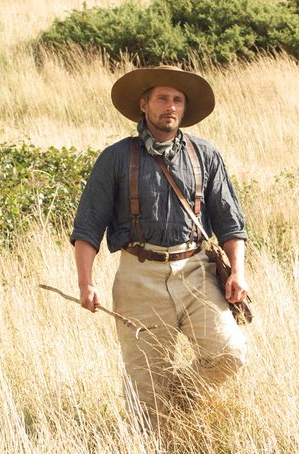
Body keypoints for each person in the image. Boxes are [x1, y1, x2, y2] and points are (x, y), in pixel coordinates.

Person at [70, 66, 248, 432]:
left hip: (196, 271)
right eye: (162, 98)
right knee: (145, 383)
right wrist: (85, 283)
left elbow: (231, 223)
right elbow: (87, 227)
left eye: (177, 100)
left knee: (229, 355)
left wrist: (238, 272)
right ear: (144, 104)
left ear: (184, 109)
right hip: (138, 277)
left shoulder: (206, 155)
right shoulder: (115, 158)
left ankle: (179, 399)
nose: (170, 106)